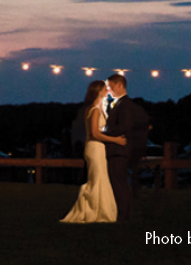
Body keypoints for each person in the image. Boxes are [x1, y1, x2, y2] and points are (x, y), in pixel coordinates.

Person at [61, 80, 127, 223]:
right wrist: (115, 140)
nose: (107, 90)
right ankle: (93, 211)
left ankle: (100, 211)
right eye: (104, 89)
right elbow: (94, 133)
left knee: (100, 178)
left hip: (99, 148)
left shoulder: (99, 108)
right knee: (97, 179)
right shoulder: (94, 110)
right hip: (95, 148)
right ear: (98, 91)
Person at [102, 73, 149, 222]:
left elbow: (126, 126)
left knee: (119, 183)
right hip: (118, 149)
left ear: (119, 85)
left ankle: (123, 216)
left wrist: (106, 132)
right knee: (118, 182)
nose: (109, 90)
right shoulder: (121, 104)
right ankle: (121, 214)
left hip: (119, 150)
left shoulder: (125, 105)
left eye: (111, 87)